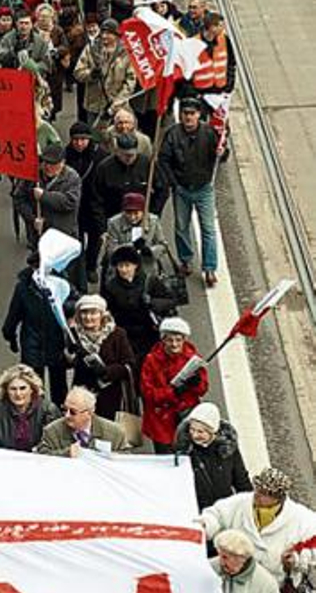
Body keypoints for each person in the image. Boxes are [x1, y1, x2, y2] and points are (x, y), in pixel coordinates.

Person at [202, 467, 316, 584]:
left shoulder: (302, 519)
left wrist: (297, 560)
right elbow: (216, 515)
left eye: (264, 493)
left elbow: (313, 547)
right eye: (258, 489)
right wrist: (206, 525)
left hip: (273, 585)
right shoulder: (240, 502)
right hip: (230, 580)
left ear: (278, 498)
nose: (257, 494)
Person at [160, 96, 224, 287]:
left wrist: (223, 152)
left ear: (198, 115)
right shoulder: (172, 134)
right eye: (185, 113)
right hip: (182, 189)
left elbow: (220, 154)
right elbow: (163, 160)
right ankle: (186, 260)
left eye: (191, 114)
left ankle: (210, 268)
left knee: (208, 230)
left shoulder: (209, 133)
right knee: (181, 227)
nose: (188, 117)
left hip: (204, 188)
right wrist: (174, 184)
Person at [2, 253, 75, 406]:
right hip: (34, 343)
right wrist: (10, 336)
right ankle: (37, 413)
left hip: (53, 341)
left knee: (57, 384)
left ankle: (58, 412)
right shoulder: (23, 288)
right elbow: (13, 315)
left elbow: (74, 304)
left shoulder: (61, 283)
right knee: (36, 384)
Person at [100, 244, 178, 367]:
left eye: (127, 265)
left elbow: (171, 300)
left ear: (135, 265)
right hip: (125, 335)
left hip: (149, 332)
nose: (124, 270)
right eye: (120, 266)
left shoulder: (149, 280)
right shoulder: (110, 287)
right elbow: (106, 310)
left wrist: (152, 303)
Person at [140, 316, 209, 453]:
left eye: (178, 340)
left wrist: (196, 384)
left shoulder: (193, 360)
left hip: (186, 418)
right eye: (170, 340)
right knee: (165, 461)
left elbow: (203, 389)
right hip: (161, 422)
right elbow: (147, 393)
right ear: (163, 340)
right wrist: (172, 392)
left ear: (184, 340)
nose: (174, 344)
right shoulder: (151, 361)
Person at [66, 294, 135, 420]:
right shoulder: (73, 336)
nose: (88, 317)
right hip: (83, 395)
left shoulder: (117, 334)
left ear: (102, 315)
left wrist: (106, 371)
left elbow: (129, 364)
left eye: (93, 313)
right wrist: (70, 355)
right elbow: (65, 363)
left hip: (111, 396)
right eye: (84, 313)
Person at [175, 402, 253, 510]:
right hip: (197, 511)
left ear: (213, 432)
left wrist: (250, 506)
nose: (194, 435)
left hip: (225, 510)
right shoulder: (184, 452)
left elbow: (241, 480)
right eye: (192, 430)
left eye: (200, 431)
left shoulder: (228, 449)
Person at [0, 364, 61, 451]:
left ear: (32, 389)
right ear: (6, 390)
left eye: (22, 388)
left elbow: (58, 447)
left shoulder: (48, 410)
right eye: (13, 389)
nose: (18, 394)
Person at [13, 144, 82, 250]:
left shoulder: (72, 178)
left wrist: (44, 196)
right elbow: (19, 198)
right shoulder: (33, 175)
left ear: (63, 162)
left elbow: (69, 202)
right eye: (46, 163)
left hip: (63, 236)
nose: (48, 167)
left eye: (53, 164)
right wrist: (32, 219)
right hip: (38, 235)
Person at [65, 121, 110, 283]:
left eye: (83, 139)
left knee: (95, 239)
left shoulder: (101, 156)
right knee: (76, 239)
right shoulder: (66, 155)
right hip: (74, 205)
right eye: (75, 139)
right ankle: (79, 268)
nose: (79, 143)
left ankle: (91, 266)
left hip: (95, 204)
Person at [72, 18, 135, 129]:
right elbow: (78, 72)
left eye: (109, 33)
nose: (105, 36)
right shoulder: (91, 50)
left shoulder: (126, 53)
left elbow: (130, 81)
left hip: (118, 107)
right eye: (103, 32)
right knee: (95, 138)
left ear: (116, 35)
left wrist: (116, 104)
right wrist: (91, 74)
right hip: (94, 105)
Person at [36, 386, 129, 457]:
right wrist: (66, 453)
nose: (66, 415)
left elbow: (126, 459)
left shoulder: (115, 433)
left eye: (73, 412)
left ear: (89, 413)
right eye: (64, 409)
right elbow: (41, 457)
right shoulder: (52, 431)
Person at [211, 529, 280, 593]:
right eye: (219, 555)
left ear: (241, 558)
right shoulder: (210, 568)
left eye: (225, 557)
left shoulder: (266, 584)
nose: (221, 562)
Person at [0, 9, 52, 76]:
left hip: (33, 77)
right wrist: (13, 53)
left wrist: (33, 67)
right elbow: (0, 56)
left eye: (26, 23)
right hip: (12, 75)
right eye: (21, 23)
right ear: (17, 24)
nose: (24, 26)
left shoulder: (40, 41)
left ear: (31, 25)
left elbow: (47, 63)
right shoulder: (7, 38)